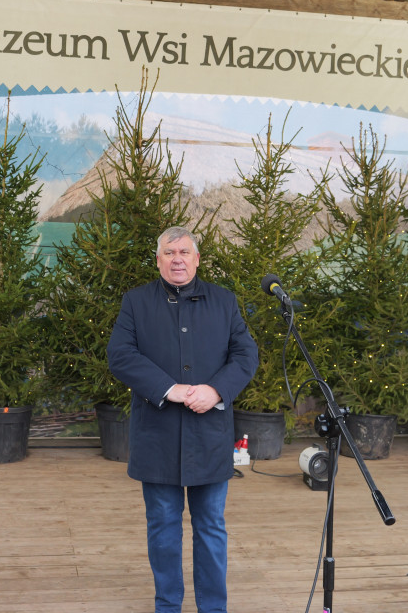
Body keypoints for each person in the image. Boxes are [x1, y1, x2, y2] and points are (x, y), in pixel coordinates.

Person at [107, 226, 258, 613]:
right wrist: (169, 389)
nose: (177, 259)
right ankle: (167, 606)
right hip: (156, 436)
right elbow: (121, 355)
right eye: (169, 252)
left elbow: (245, 356)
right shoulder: (136, 302)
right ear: (157, 259)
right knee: (163, 529)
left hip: (209, 435)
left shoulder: (225, 302)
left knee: (210, 528)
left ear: (197, 259)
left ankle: (213, 608)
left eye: (184, 252)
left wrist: (216, 390)